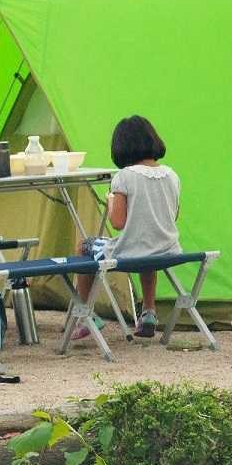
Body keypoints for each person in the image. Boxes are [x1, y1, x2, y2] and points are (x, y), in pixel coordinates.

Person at [74, 115, 181, 339]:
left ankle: (87, 315)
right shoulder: (172, 175)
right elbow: (174, 216)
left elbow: (118, 223)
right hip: (167, 249)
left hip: (131, 252)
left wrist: (112, 200)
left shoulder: (124, 177)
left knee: (84, 246)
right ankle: (149, 312)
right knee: (147, 245)